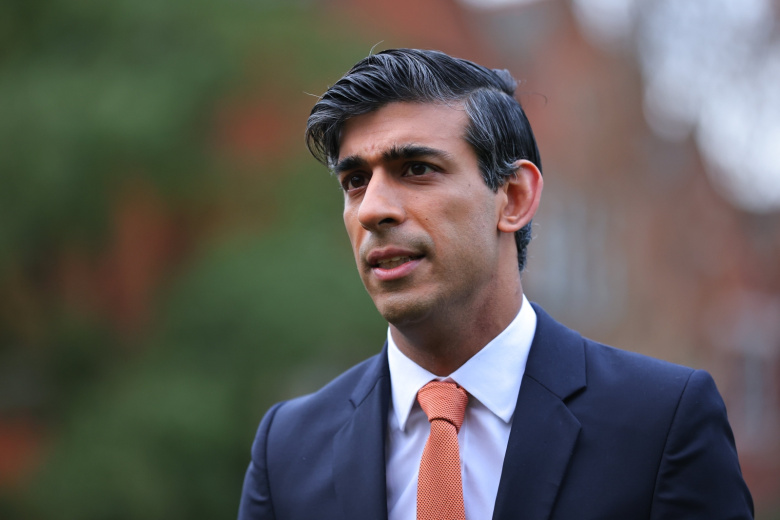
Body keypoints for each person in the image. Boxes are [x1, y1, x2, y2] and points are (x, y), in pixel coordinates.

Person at [238, 48, 753, 520]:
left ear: (514, 197)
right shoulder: (286, 449)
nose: (372, 209)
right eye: (355, 181)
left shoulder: (660, 425)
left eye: (416, 168)